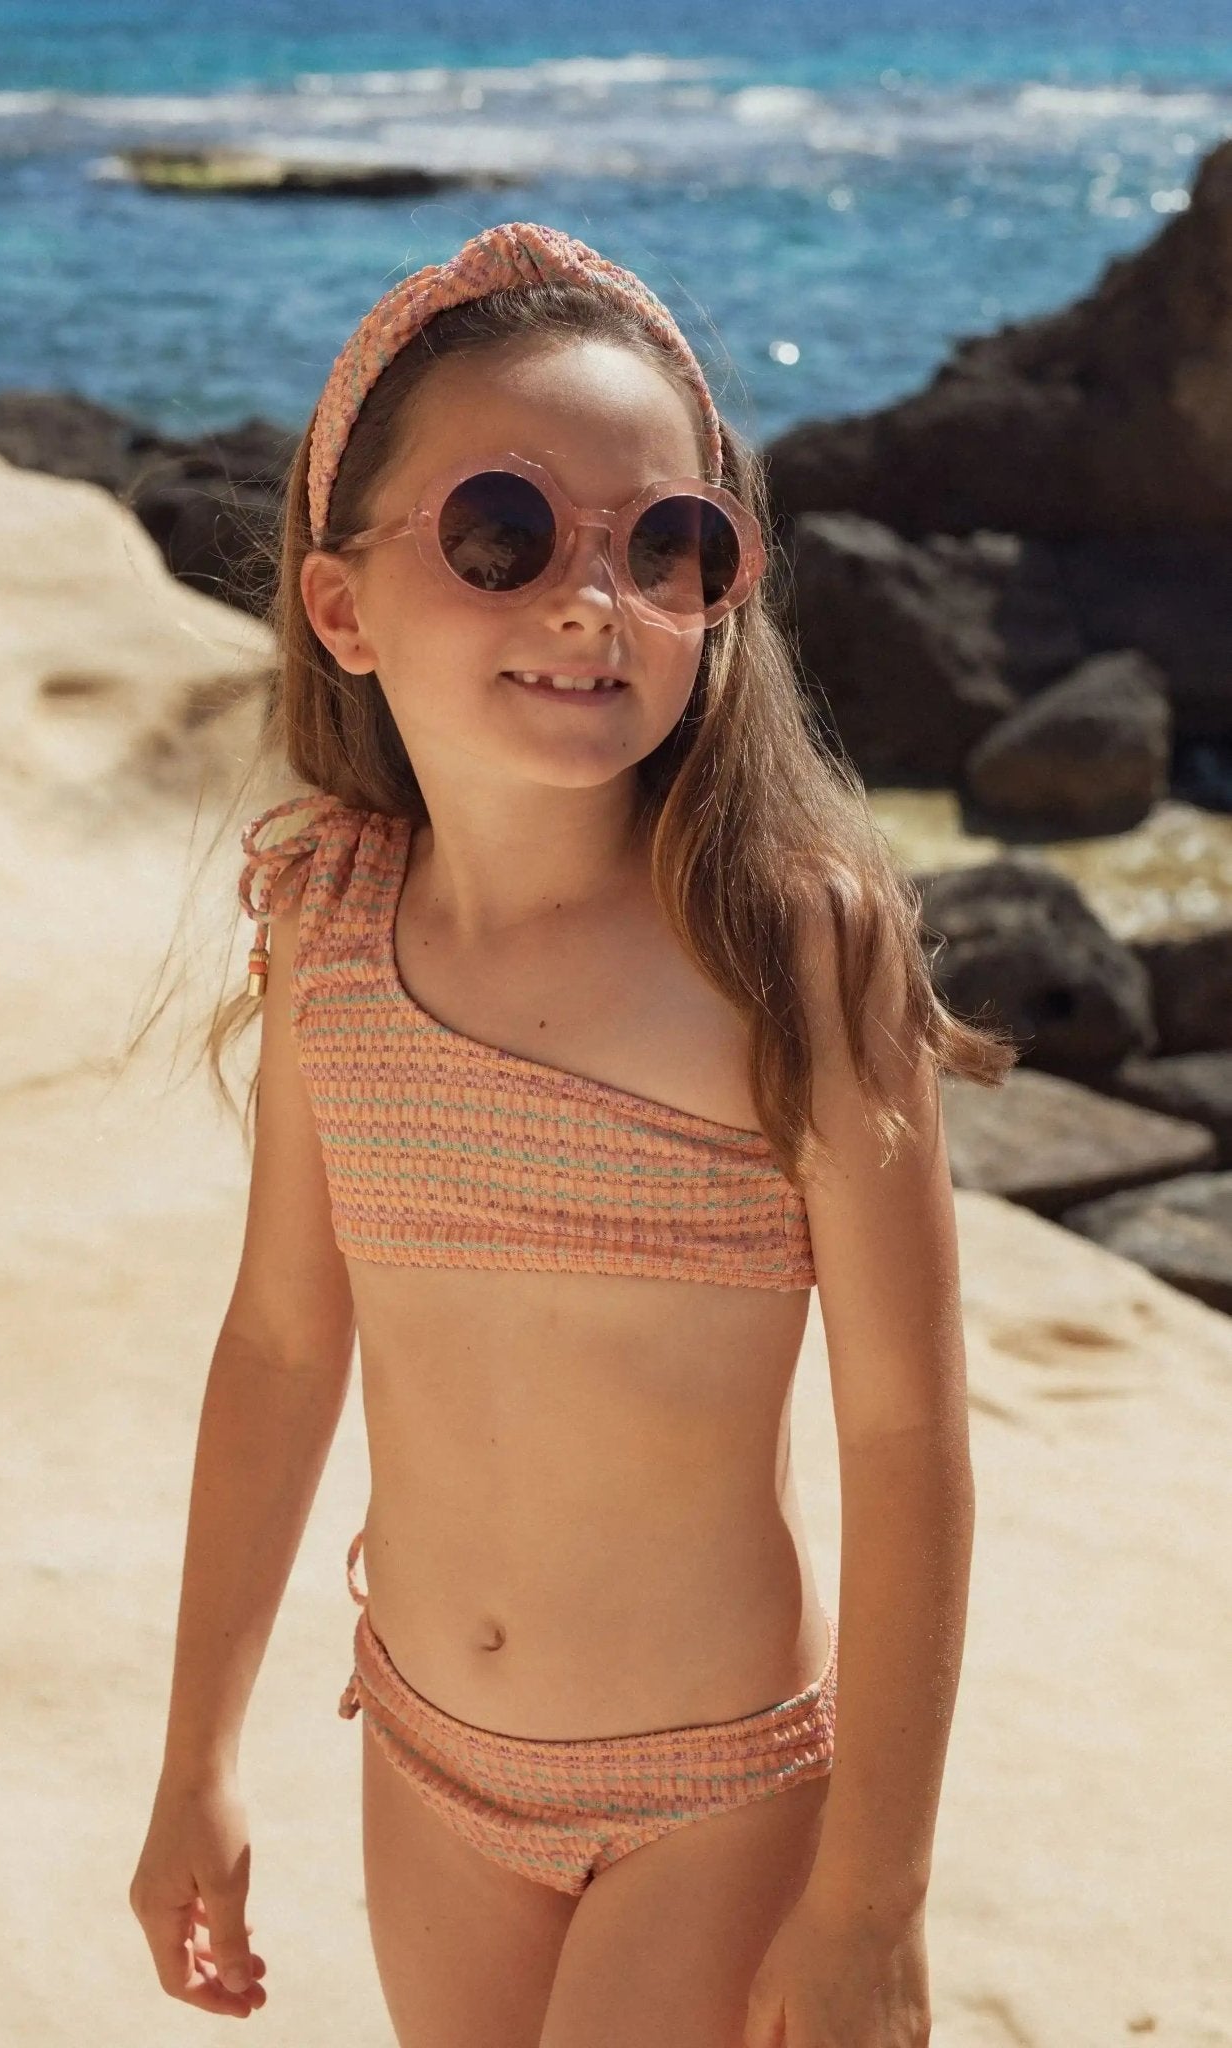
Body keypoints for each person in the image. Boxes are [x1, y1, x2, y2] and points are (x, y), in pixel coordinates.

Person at [127, 219, 1012, 2046]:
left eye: (666, 544)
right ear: (345, 605)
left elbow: (907, 1429)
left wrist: (871, 1891)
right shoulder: (326, 923)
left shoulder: (790, 946)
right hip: (425, 1764)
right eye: (503, 534)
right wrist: (193, 1761)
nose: (590, 596)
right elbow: (283, 1347)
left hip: (721, 1796)